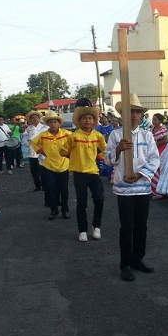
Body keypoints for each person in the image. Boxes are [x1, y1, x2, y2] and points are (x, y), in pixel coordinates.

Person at [106, 94, 160, 282]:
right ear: (123, 115)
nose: (135, 116)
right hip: (124, 188)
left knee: (141, 226)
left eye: (137, 112)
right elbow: (107, 160)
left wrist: (139, 174)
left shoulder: (147, 135)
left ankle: (138, 259)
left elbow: (154, 159)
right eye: (131, 112)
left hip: (142, 187)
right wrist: (118, 149)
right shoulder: (115, 135)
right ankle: (125, 264)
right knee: (126, 227)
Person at [60, 98, 106, 242]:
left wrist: (100, 157)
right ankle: (82, 230)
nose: (87, 121)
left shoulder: (98, 136)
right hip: (79, 173)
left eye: (90, 118)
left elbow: (106, 150)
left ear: (94, 121)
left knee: (99, 198)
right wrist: (74, 157)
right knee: (82, 202)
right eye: (84, 118)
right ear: (79, 121)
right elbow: (63, 151)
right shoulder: (73, 136)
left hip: (93, 172)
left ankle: (96, 226)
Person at [31, 111, 71, 220]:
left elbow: (75, 142)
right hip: (48, 166)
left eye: (55, 122)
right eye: (51, 122)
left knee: (64, 190)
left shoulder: (67, 134)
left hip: (63, 166)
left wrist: (70, 153)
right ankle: (54, 210)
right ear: (48, 124)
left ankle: (65, 210)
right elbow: (33, 142)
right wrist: (40, 151)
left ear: (59, 123)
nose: (53, 124)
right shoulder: (43, 135)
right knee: (51, 189)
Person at [23, 110, 48, 192]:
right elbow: (24, 140)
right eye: (32, 118)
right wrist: (28, 142)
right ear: (30, 120)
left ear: (39, 118)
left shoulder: (45, 128)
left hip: (43, 152)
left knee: (43, 170)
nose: (34, 119)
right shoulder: (28, 129)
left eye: (36, 118)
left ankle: (45, 185)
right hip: (32, 152)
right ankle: (37, 185)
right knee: (34, 171)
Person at [150, 113, 168, 199]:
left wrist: (156, 144)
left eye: (155, 119)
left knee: (158, 169)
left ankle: (160, 191)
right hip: (154, 151)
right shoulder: (151, 129)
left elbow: (166, 140)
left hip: (162, 150)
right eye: (153, 119)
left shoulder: (163, 129)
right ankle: (155, 190)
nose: (153, 121)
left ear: (160, 121)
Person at [95, 113, 114, 180]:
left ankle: (109, 175)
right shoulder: (98, 127)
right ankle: (100, 172)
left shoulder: (111, 127)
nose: (103, 119)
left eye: (104, 118)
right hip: (100, 148)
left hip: (109, 146)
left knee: (109, 161)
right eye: (102, 119)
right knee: (100, 160)